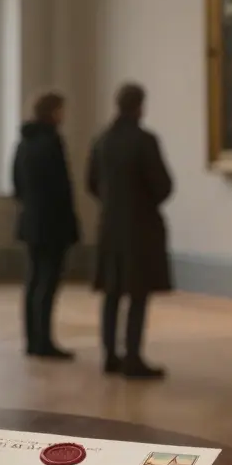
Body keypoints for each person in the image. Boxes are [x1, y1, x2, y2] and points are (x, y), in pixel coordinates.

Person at [86, 83, 173, 379]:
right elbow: (162, 185)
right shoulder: (144, 140)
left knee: (112, 293)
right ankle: (133, 356)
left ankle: (110, 354)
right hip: (140, 225)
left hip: (110, 224)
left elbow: (92, 183)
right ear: (140, 106)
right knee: (138, 293)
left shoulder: (102, 140)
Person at [13, 91, 80, 360]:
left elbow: (17, 184)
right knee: (48, 283)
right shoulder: (52, 142)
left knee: (33, 281)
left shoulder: (23, 143)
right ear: (53, 112)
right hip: (53, 223)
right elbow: (62, 188)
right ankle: (44, 341)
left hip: (31, 221)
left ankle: (33, 339)